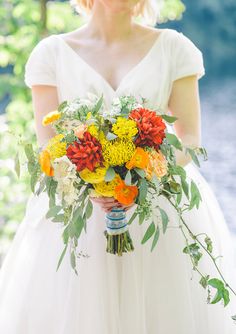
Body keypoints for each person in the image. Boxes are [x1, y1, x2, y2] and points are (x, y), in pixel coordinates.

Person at [0, 0, 236, 333]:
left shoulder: (174, 49)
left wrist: (142, 175)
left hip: (157, 207)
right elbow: (48, 147)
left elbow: (191, 139)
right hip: (80, 214)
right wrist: (91, 181)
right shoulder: (50, 54)